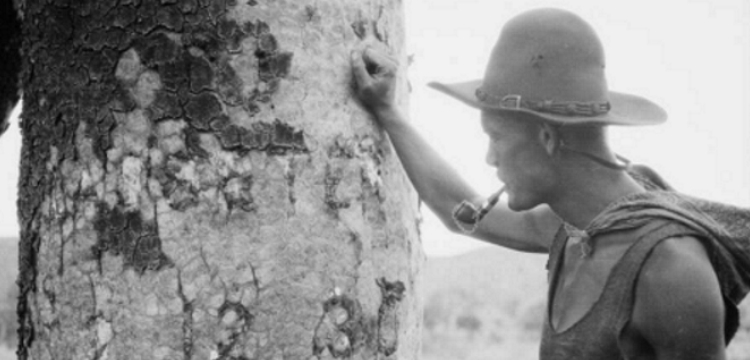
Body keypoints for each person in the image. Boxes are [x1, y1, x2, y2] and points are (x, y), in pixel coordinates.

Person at [351, 8, 750, 360]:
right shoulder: (569, 226)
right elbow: (461, 212)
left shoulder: (669, 271)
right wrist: (388, 111)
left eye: (496, 137)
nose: (490, 158)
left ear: (546, 137)